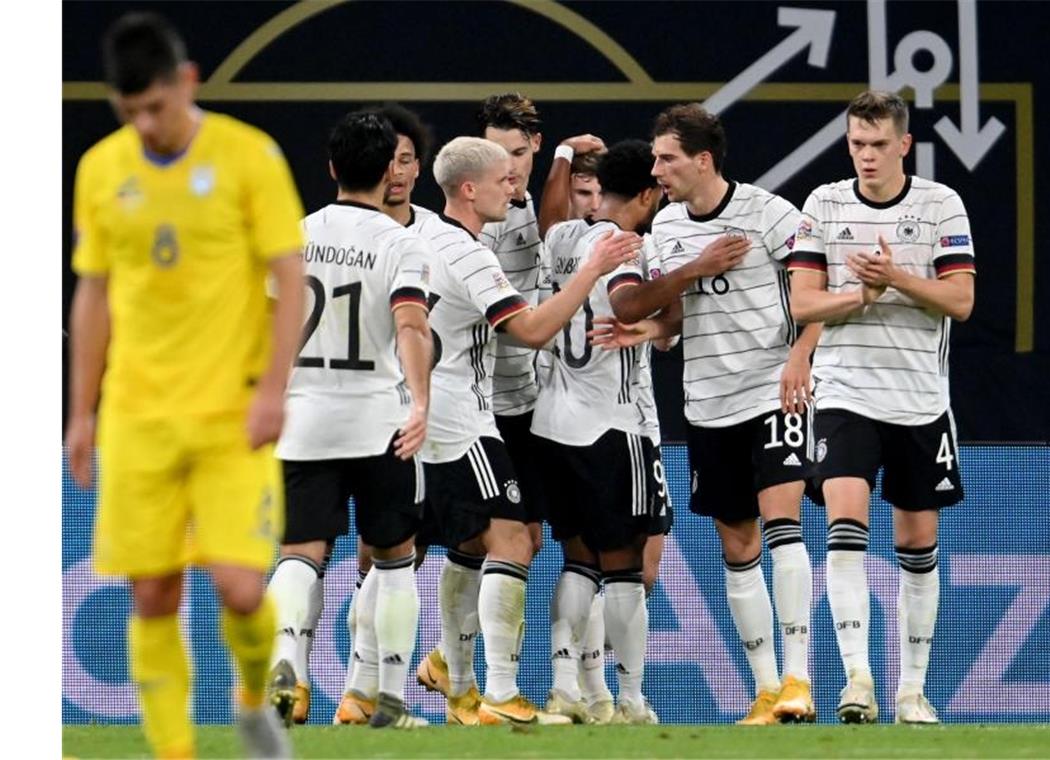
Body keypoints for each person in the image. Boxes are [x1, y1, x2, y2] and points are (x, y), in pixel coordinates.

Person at [65, 12, 305, 758]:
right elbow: (94, 294)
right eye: (128, 111)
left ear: (187, 82)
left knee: (240, 588)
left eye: (156, 107)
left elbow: (290, 278)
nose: (145, 124)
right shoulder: (102, 169)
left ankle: (251, 698)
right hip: (137, 416)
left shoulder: (248, 157)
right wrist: (81, 412)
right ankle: (175, 753)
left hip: (231, 413)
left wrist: (273, 389)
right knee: (152, 593)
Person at [608, 103, 819, 725]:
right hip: (708, 401)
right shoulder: (668, 227)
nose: (657, 169)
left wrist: (802, 356)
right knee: (737, 541)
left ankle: (798, 678)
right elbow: (676, 316)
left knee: (782, 522)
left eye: (667, 157)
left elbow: (815, 290)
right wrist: (653, 328)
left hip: (771, 391)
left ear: (703, 159)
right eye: (655, 157)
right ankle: (764, 692)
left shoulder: (770, 214)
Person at [417, 136, 641, 725]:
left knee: (467, 546)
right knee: (512, 541)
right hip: (459, 415)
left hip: (430, 408)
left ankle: (456, 682)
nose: (514, 189)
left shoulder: (422, 236)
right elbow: (535, 329)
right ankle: (500, 692)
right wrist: (592, 267)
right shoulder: (469, 253)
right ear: (470, 189)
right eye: (504, 180)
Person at [787, 90, 975, 725]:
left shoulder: (940, 205)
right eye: (856, 144)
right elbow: (802, 304)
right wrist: (856, 296)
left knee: (917, 543)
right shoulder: (825, 204)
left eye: (876, 144)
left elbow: (960, 302)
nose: (865, 156)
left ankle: (912, 691)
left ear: (903, 145)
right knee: (845, 525)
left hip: (920, 398)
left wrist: (895, 279)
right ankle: (858, 679)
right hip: (844, 391)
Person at [265, 109, 434, 731]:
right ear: (389, 167)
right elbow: (412, 324)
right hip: (378, 420)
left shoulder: (293, 235)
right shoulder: (401, 243)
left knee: (299, 553)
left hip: (303, 417)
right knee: (393, 558)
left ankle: (287, 664)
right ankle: (387, 700)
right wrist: (420, 402)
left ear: (333, 167)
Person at [533, 140, 668, 725]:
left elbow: (549, 216)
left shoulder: (565, 236)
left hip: (553, 425)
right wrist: (692, 272)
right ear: (646, 194)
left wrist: (561, 156)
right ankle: (632, 698)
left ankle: (565, 686)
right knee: (625, 569)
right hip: (612, 427)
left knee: (578, 563)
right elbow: (628, 302)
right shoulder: (626, 245)